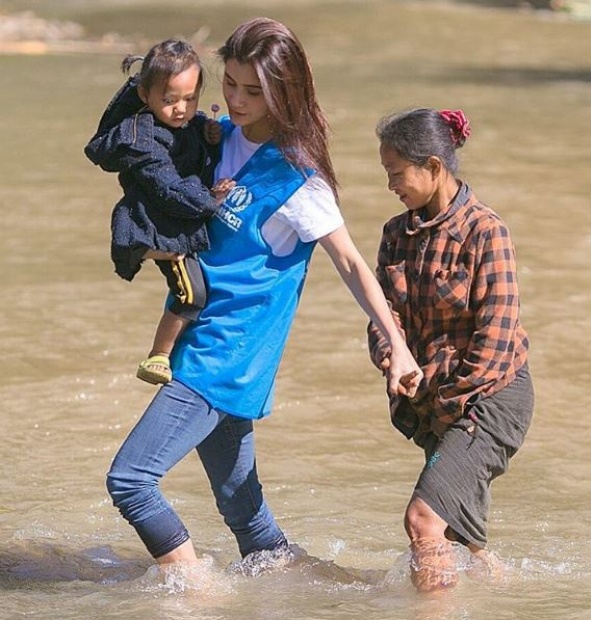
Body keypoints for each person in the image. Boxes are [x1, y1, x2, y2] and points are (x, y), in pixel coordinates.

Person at [105, 17, 420, 572]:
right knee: (249, 523)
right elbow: (135, 122)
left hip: (227, 355)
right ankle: (327, 595)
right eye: (229, 83)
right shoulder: (213, 138)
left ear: (286, 92)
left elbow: (349, 262)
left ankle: (197, 596)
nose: (237, 99)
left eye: (254, 90)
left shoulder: (301, 181)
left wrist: (398, 345)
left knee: (131, 480)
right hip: (196, 339)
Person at [367, 107, 534, 593]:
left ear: (434, 167)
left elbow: (497, 334)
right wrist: (391, 357)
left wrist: (448, 402)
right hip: (438, 404)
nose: (390, 186)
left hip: (491, 399)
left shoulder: (486, 232)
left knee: (423, 521)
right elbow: (384, 316)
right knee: (460, 544)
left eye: (396, 174)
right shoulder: (395, 235)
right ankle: (520, 596)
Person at [84, 39, 235, 386]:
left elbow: (191, 150)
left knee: (196, 287)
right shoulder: (141, 138)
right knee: (191, 293)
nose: (181, 109)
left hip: (169, 218)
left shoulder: (184, 123)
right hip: (154, 222)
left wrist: (208, 136)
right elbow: (168, 186)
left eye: (190, 98)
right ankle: (159, 355)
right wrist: (210, 200)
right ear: (145, 96)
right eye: (169, 100)